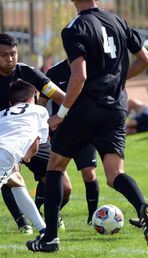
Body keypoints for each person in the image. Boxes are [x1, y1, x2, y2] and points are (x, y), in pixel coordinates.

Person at [26, 0, 148, 252]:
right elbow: (146, 60)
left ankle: (51, 238)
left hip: (87, 106)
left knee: (55, 166)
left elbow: (80, 76)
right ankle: (143, 207)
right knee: (114, 174)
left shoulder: (74, 27)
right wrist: (116, 81)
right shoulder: (117, 20)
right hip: (117, 107)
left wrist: (62, 113)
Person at [0, 33, 71, 234]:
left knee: (64, 187)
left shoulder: (29, 73)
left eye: (13, 53)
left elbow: (59, 96)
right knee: (11, 175)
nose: (10, 58)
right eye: (4, 55)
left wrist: (65, 115)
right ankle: (23, 223)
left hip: (32, 136)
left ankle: (50, 214)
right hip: (5, 137)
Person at [45, 59, 99, 225]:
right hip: (59, 131)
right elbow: (41, 102)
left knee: (89, 173)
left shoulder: (91, 67)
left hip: (85, 129)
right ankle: (42, 213)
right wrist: (43, 128)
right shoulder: (54, 72)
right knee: (53, 173)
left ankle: (93, 218)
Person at [0, 80, 48, 236]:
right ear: (31, 99)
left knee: (16, 182)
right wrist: (25, 159)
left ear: (10, 102)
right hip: (5, 155)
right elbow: (35, 144)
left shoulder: (2, 113)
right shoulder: (39, 110)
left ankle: (43, 230)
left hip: (4, 153)